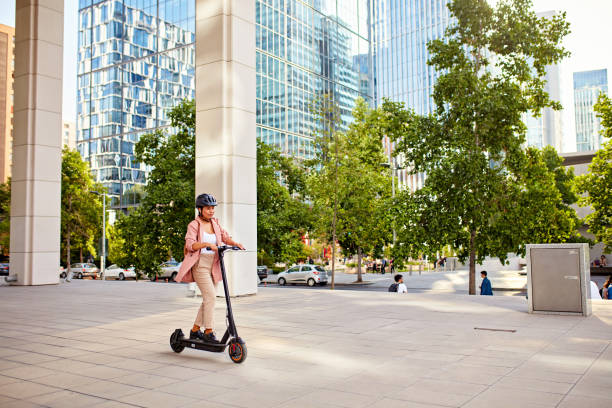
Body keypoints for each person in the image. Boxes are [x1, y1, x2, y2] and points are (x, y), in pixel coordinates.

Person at [175, 193, 244, 343]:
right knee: (211, 297)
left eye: (213, 208)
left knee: (208, 299)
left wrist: (235, 243)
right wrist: (207, 244)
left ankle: (194, 331)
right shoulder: (194, 225)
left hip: (214, 265)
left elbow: (225, 237)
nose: (211, 211)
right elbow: (190, 245)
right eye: (208, 208)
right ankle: (208, 331)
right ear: (200, 209)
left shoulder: (215, 223)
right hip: (200, 265)